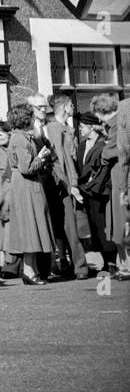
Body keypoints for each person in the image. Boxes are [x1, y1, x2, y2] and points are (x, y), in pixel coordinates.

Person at [5, 100, 56, 286]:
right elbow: (27, 167)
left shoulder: (22, 137)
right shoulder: (20, 139)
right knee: (30, 228)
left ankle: (31, 269)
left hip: (27, 186)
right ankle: (28, 270)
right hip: (27, 186)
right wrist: (41, 157)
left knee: (31, 229)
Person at [44, 95, 88, 280]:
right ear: (63, 107)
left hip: (66, 183)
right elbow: (61, 161)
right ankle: (79, 267)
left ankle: (68, 264)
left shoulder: (65, 129)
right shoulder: (56, 129)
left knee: (66, 226)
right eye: (70, 104)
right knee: (71, 226)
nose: (73, 107)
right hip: (64, 184)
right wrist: (71, 185)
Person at [90, 92, 130, 279]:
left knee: (121, 221)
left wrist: (104, 151)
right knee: (118, 221)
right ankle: (124, 265)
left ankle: (126, 265)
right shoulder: (115, 124)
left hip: (118, 177)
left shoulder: (116, 125)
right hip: (116, 178)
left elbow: (113, 150)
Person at [76, 110, 115, 272]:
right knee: (93, 227)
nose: (80, 129)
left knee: (103, 225)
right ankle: (104, 262)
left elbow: (105, 169)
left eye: (82, 126)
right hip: (86, 192)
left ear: (91, 127)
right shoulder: (83, 145)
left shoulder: (103, 143)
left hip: (100, 192)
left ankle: (111, 262)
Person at [0, 120, 20, 279]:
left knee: (8, 231)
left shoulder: (12, 150)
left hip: (11, 192)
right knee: (2, 231)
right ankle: (3, 264)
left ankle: (9, 264)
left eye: (1, 135)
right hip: (2, 192)